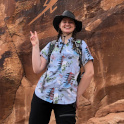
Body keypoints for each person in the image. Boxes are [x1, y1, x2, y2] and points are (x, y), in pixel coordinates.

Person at [29, 10, 94, 124]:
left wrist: (77, 96)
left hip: (67, 99)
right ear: (59, 25)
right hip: (43, 93)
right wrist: (35, 46)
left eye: (70, 22)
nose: (67, 24)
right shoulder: (51, 45)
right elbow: (37, 69)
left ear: (74, 26)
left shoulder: (80, 45)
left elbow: (90, 73)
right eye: (64, 21)